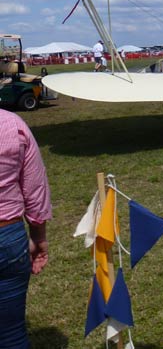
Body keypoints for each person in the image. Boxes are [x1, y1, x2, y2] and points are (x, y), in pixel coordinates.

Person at [0, 109, 52, 347]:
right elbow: (34, 187)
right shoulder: (12, 123)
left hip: (8, 238)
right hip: (8, 238)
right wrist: (39, 236)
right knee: (11, 334)